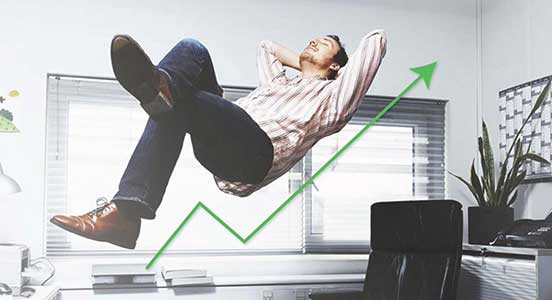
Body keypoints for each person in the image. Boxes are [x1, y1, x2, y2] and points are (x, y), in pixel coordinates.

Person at [50, 30, 388, 249]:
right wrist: (307, 63)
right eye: (313, 39)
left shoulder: (334, 100)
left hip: (255, 153)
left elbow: (377, 40)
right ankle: (127, 212)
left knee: (177, 101)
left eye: (324, 44)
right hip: (223, 136)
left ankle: (125, 213)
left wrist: (334, 73)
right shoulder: (279, 84)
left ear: (337, 68)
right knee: (191, 50)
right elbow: (266, 47)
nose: (313, 41)